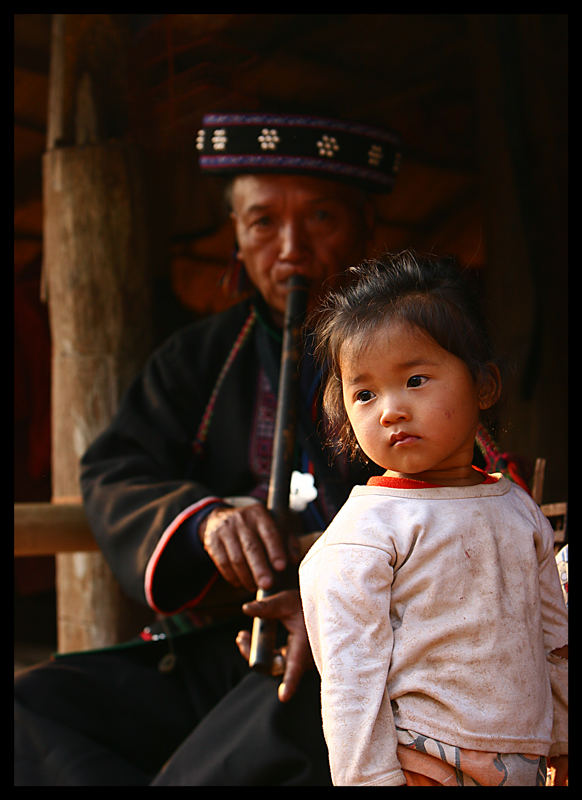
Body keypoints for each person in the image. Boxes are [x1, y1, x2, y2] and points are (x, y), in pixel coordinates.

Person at [14, 112, 402, 786]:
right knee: (31, 711)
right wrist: (206, 521)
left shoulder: (414, 358)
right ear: (236, 237)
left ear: (367, 229)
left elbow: (466, 494)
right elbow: (117, 469)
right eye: (262, 223)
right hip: (226, 647)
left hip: (345, 654)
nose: (290, 249)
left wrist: (336, 576)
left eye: (320, 219)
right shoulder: (201, 358)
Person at [299, 250, 568, 787]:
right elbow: (351, 684)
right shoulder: (364, 536)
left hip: (523, 760)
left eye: (416, 379)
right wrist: (370, 781)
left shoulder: (517, 511)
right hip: (421, 763)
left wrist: (563, 741)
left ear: (483, 386)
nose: (390, 410)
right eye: (365, 393)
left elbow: (551, 638)